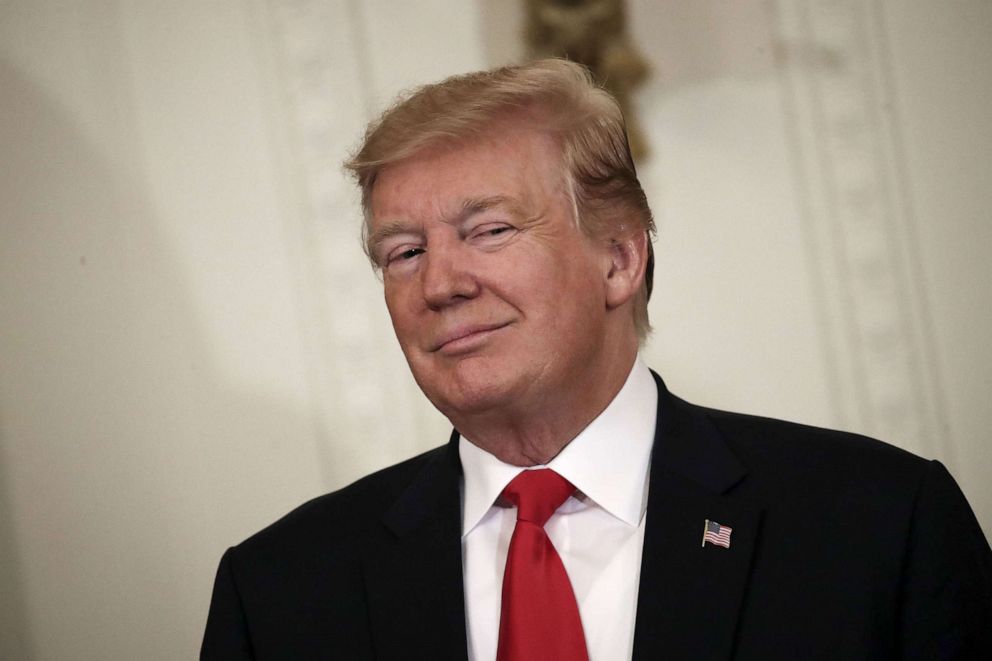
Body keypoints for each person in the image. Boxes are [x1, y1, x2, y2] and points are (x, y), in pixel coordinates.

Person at [201, 59, 991, 660]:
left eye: (489, 230)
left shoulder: (880, 524)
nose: (439, 283)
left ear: (619, 258)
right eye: (403, 251)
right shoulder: (278, 593)